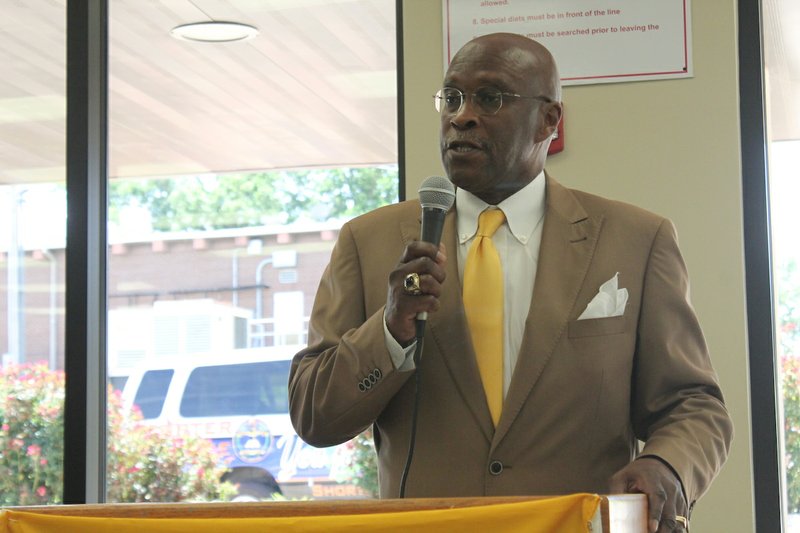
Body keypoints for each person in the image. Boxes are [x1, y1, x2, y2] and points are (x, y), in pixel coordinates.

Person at [288, 32, 732, 532]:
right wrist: (389, 332)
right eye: (452, 98)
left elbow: (693, 406)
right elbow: (313, 415)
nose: (462, 116)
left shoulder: (635, 240)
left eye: (490, 98)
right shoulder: (367, 243)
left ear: (549, 120)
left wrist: (666, 465)